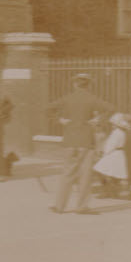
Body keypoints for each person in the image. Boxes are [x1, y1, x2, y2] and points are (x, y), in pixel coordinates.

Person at [46, 73, 115, 215]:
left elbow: (48, 108)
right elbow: (110, 108)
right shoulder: (92, 99)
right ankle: (81, 206)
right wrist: (98, 120)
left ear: (74, 84)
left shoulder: (67, 98)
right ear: (89, 85)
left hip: (70, 140)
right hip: (86, 141)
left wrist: (59, 120)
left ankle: (59, 206)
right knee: (85, 174)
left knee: (67, 173)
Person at [94, 113, 131, 199]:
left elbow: (111, 145)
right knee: (113, 174)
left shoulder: (116, 133)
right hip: (119, 154)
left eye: (113, 124)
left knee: (100, 170)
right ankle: (113, 192)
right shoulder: (122, 132)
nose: (112, 125)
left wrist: (104, 153)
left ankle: (107, 191)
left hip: (113, 154)